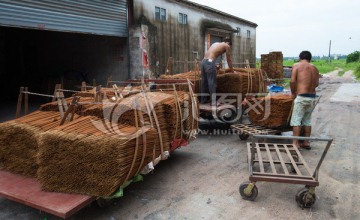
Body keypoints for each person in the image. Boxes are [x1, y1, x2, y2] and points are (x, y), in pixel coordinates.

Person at [290, 51, 320, 149]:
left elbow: (293, 81)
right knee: (307, 121)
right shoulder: (314, 68)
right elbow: (316, 84)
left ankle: (295, 143)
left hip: (301, 96)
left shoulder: (297, 65)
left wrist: (293, 92)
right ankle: (306, 142)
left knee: (296, 121)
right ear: (310, 59)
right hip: (312, 97)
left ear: (300, 57)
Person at [200, 37, 233, 105]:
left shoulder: (215, 43)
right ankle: (214, 102)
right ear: (228, 44)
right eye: (230, 46)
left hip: (203, 62)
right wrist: (232, 70)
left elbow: (209, 56)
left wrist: (214, 65)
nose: (229, 48)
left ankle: (203, 100)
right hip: (209, 62)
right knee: (212, 82)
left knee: (204, 82)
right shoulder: (227, 46)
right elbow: (228, 59)